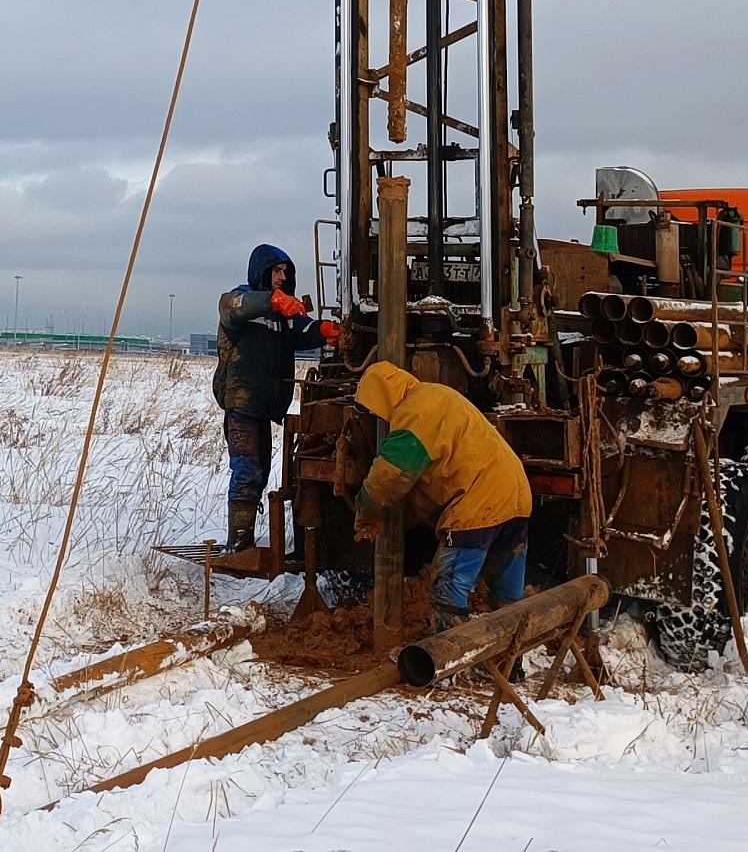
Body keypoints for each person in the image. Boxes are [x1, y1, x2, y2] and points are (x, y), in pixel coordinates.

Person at [351, 361, 532, 631]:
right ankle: (511, 666)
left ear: (381, 396)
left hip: (478, 503)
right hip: (515, 496)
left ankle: (446, 667)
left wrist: (366, 509)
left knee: (448, 596)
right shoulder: (437, 394)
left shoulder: (415, 410)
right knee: (507, 598)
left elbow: (391, 474)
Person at [213, 243, 340, 552]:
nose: (282, 276)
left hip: (265, 406)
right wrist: (272, 301)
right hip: (242, 404)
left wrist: (324, 330)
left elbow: (301, 331)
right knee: (247, 471)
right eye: (276, 271)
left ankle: (244, 539)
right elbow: (234, 306)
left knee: (261, 471)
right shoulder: (240, 301)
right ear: (262, 272)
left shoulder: (283, 314)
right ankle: (239, 544)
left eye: (286, 271)